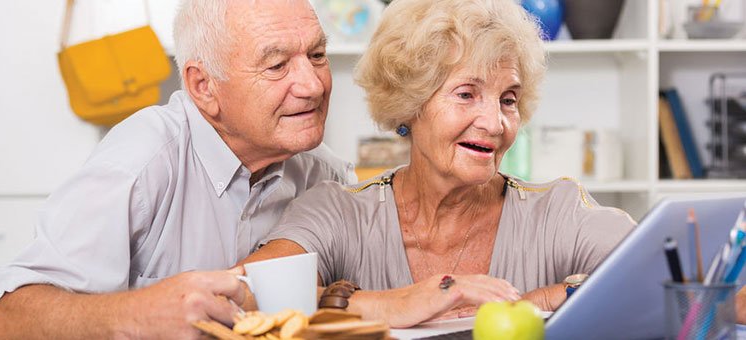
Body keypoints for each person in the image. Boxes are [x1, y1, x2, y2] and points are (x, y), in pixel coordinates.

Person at [239, 0, 635, 328]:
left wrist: (548, 298)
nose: (495, 122)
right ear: (408, 103)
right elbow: (244, 291)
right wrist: (393, 304)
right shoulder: (339, 213)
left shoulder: (558, 211)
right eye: (466, 94)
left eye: (508, 99)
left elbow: (673, 273)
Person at [0, 0, 355, 338]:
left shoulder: (326, 174)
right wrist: (135, 313)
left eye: (318, 54)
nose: (313, 85)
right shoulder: (140, 162)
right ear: (203, 86)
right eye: (276, 65)